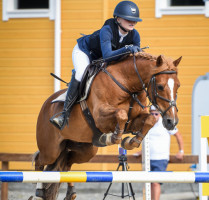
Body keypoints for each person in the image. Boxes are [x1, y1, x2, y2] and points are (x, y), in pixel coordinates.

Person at [50, 1, 142, 130]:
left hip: (101, 58)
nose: (132, 22)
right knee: (81, 74)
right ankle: (64, 114)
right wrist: (127, 49)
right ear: (118, 19)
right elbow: (107, 55)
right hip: (85, 52)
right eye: (128, 19)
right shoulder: (107, 30)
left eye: (135, 20)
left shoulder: (135, 35)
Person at [135, 105, 184, 200]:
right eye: (152, 113)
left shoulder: (166, 123)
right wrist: (142, 151)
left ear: (160, 114)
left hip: (160, 158)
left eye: (156, 114)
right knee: (148, 183)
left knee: (155, 183)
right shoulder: (146, 124)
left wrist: (181, 151)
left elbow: (178, 136)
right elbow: (147, 140)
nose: (154, 116)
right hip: (147, 158)